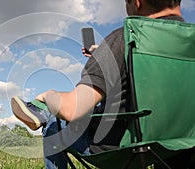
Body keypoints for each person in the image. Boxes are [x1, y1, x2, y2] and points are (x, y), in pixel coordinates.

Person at [11, 0, 185, 168]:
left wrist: (46, 95)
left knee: (52, 126)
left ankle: (38, 108)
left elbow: (73, 110)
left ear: (137, 2)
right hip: (176, 146)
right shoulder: (187, 43)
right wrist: (101, 52)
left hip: (122, 148)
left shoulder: (125, 39)